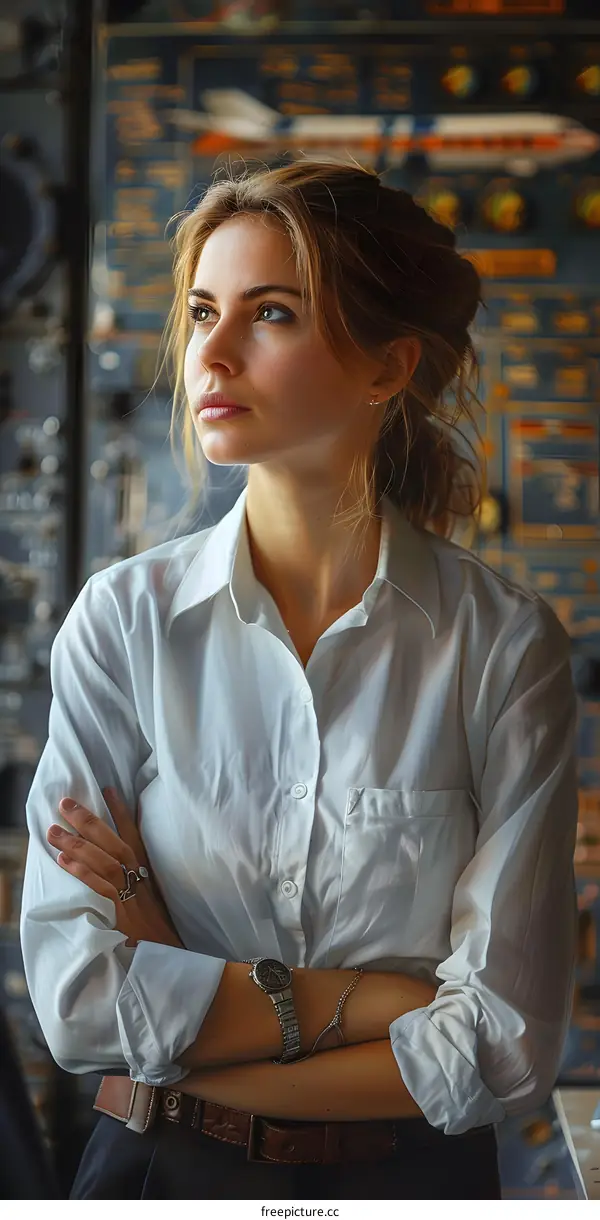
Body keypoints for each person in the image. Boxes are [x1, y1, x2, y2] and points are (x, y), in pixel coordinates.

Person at [19, 159, 578, 1200]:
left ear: (386, 367)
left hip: (409, 1183)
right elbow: (81, 1000)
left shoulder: (501, 645)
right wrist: (383, 1000)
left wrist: (185, 1025)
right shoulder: (124, 623)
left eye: (269, 313)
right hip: (151, 1175)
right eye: (200, 312)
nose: (211, 353)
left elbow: (504, 1042)